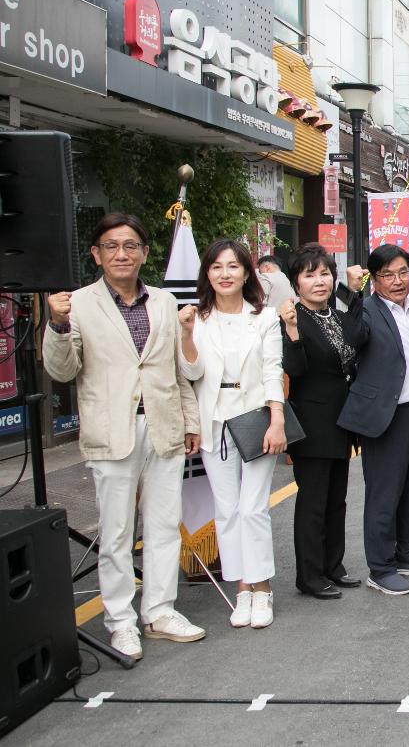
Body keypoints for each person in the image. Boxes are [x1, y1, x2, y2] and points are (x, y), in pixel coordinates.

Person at [43, 213, 205, 661]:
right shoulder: (76, 305)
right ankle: (120, 620)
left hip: (164, 427)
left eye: (130, 245)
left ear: (144, 253)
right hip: (112, 430)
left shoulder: (164, 303)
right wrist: (55, 326)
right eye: (111, 246)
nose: (122, 253)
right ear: (96, 254)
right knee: (116, 533)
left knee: (162, 527)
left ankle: (159, 611)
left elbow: (177, 372)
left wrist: (190, 422)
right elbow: (62, 370)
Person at [180, 239, 287, 629]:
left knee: (252, 507)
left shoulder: (265, 317)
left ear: (247, 273)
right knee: (226, 510)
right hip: (213, 422)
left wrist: (277, 419)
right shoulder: (197, 318)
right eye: (217, 267)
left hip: (256, 418)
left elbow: (273, 369)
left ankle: (263, 588)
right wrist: (186, 335)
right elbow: (190, 374)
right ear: (207, 273)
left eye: (233, 267)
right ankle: (243, 588)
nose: (225, 274)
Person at [337, 245, 409, 596]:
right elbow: (352, 338)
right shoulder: (365, 310)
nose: (397, 281)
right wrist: (351, 293)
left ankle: (407, 555)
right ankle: (380, 568)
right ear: (374, 280)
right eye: (388, 275)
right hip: (386, 418)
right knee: (384, 495)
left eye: (402, 272)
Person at [279, 243, 360, 600]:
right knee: (312, 502)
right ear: (296, 282)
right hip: (311, 422)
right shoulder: (291, 318)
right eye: (309, 275)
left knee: (337, 499)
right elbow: (293, 370)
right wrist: (293, 332)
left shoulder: (339, 316)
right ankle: (309, 576)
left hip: (341, 421)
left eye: (324, 273)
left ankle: (333, 565)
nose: (318, 281)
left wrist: (354, 294)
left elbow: (360, 338)